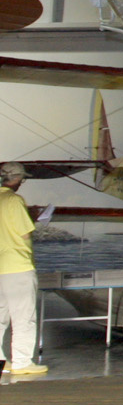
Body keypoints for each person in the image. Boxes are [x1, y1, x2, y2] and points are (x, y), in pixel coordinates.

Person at [0, 161, 46, 377]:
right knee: (23, 317)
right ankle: (21, 362)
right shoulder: (14, 200)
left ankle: (2, 360)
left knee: (0, 317)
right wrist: (33, 218)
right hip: (17, 267)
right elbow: (25, 233)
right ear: (18, 179)